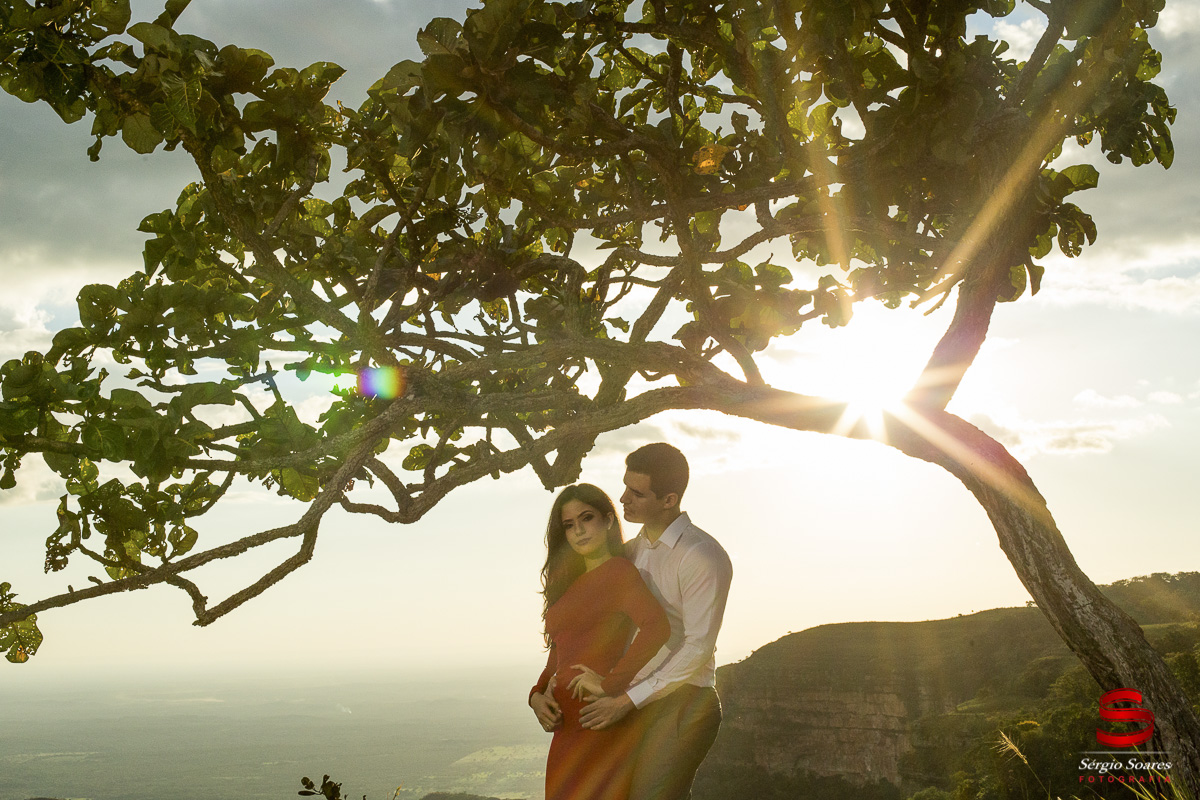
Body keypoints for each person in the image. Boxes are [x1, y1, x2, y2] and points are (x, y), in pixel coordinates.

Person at [576, 443, 733, 800]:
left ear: (669, 499)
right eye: (625, 487)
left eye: (636, 492)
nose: (623, 499)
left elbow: (698, 645)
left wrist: (626, 701)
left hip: (686, 701)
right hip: (635, 693)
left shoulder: (701, 556)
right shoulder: (633, 550)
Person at [528, 483, 671, 800]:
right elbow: (559, 654)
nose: (578, 531)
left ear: (608, 520)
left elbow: (657, 627)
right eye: (569, 525)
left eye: (586, 518)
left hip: (598, 721)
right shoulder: (566, 585)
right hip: (565, 727)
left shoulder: (619, 572)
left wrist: (611, 683)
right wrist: (536, 696)